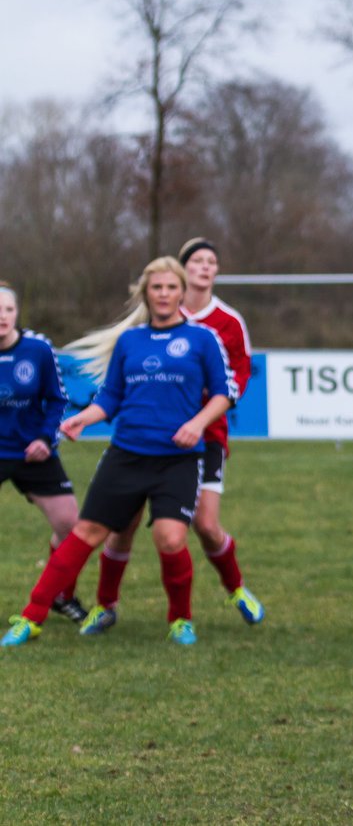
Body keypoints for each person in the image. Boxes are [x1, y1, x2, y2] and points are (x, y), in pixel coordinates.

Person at [1, 257, 238, 647]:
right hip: (126, 454)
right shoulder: (130, 341)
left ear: (181, 292)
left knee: (170, 539)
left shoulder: (202, 339)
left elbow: (224, 392)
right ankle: (32, 616)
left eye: (170, 287)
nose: (163, 294)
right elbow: (111, 396)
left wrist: (197, 424)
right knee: (85, 532)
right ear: (146, 293)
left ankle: (180, 619)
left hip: (178, 459)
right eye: (156, 288)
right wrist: (84, 419)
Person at [81, 237, 263, 638]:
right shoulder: (156, 314)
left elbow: (238, 379)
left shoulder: (227, 322)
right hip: (144, 440)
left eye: (211, 261)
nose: (205, 267)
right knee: (121, 525)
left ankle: (235, 590)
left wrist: (198, 411)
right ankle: (105, 606)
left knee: (206, 526)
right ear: (180, 272)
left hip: (203, 438)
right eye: (196, 260)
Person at [0, 281, 87, 622]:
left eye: (8, 309)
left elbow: (56, 399)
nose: (2, 317)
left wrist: (44, 438)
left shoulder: (37, 349)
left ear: (17, 312)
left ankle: (62, 596)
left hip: (32, 451)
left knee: (70, 525)